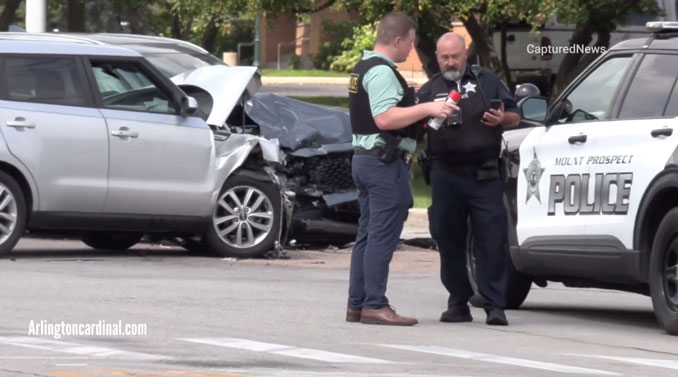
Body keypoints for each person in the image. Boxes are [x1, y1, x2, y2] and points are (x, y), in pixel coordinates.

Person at [347, 12, 457, 326]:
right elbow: (385, 119)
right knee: (381, 237)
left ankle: (357, 304)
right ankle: (374, 304)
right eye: (410, 42)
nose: (411, 49)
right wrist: (429, 107)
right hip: (384, 164)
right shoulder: (381, 72)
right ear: (398, 39)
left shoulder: (362, 67)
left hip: (367, 160)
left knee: (367, 236)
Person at [417, 33, 520, 326]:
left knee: (491, 240)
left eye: (456, 56)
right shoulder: (430, 90)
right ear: (437, 57)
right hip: (445, 174)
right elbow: (416, 127)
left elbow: (514, 114)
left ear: (465, 55)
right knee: (448, 239)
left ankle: (495, 305)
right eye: (445, 57)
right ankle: (458, 302)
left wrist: (502, 120)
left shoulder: (486, 80)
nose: (451, 62)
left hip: (484, 174)